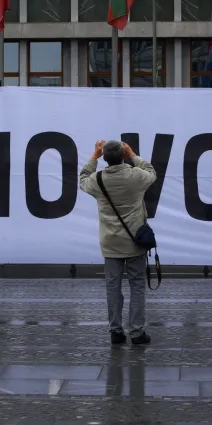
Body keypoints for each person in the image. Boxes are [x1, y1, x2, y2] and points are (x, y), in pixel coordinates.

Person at [79, 140, 157, 345]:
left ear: (105, 158)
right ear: (123, 155)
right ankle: (137, 332)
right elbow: (150, 171)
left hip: (110, 243)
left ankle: (115, 331)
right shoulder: (136, 176)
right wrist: (133, 154)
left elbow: (82, 179)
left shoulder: (98, 180)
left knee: (113, 287)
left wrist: (93, 157)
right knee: (137, 286)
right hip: (135, 241)